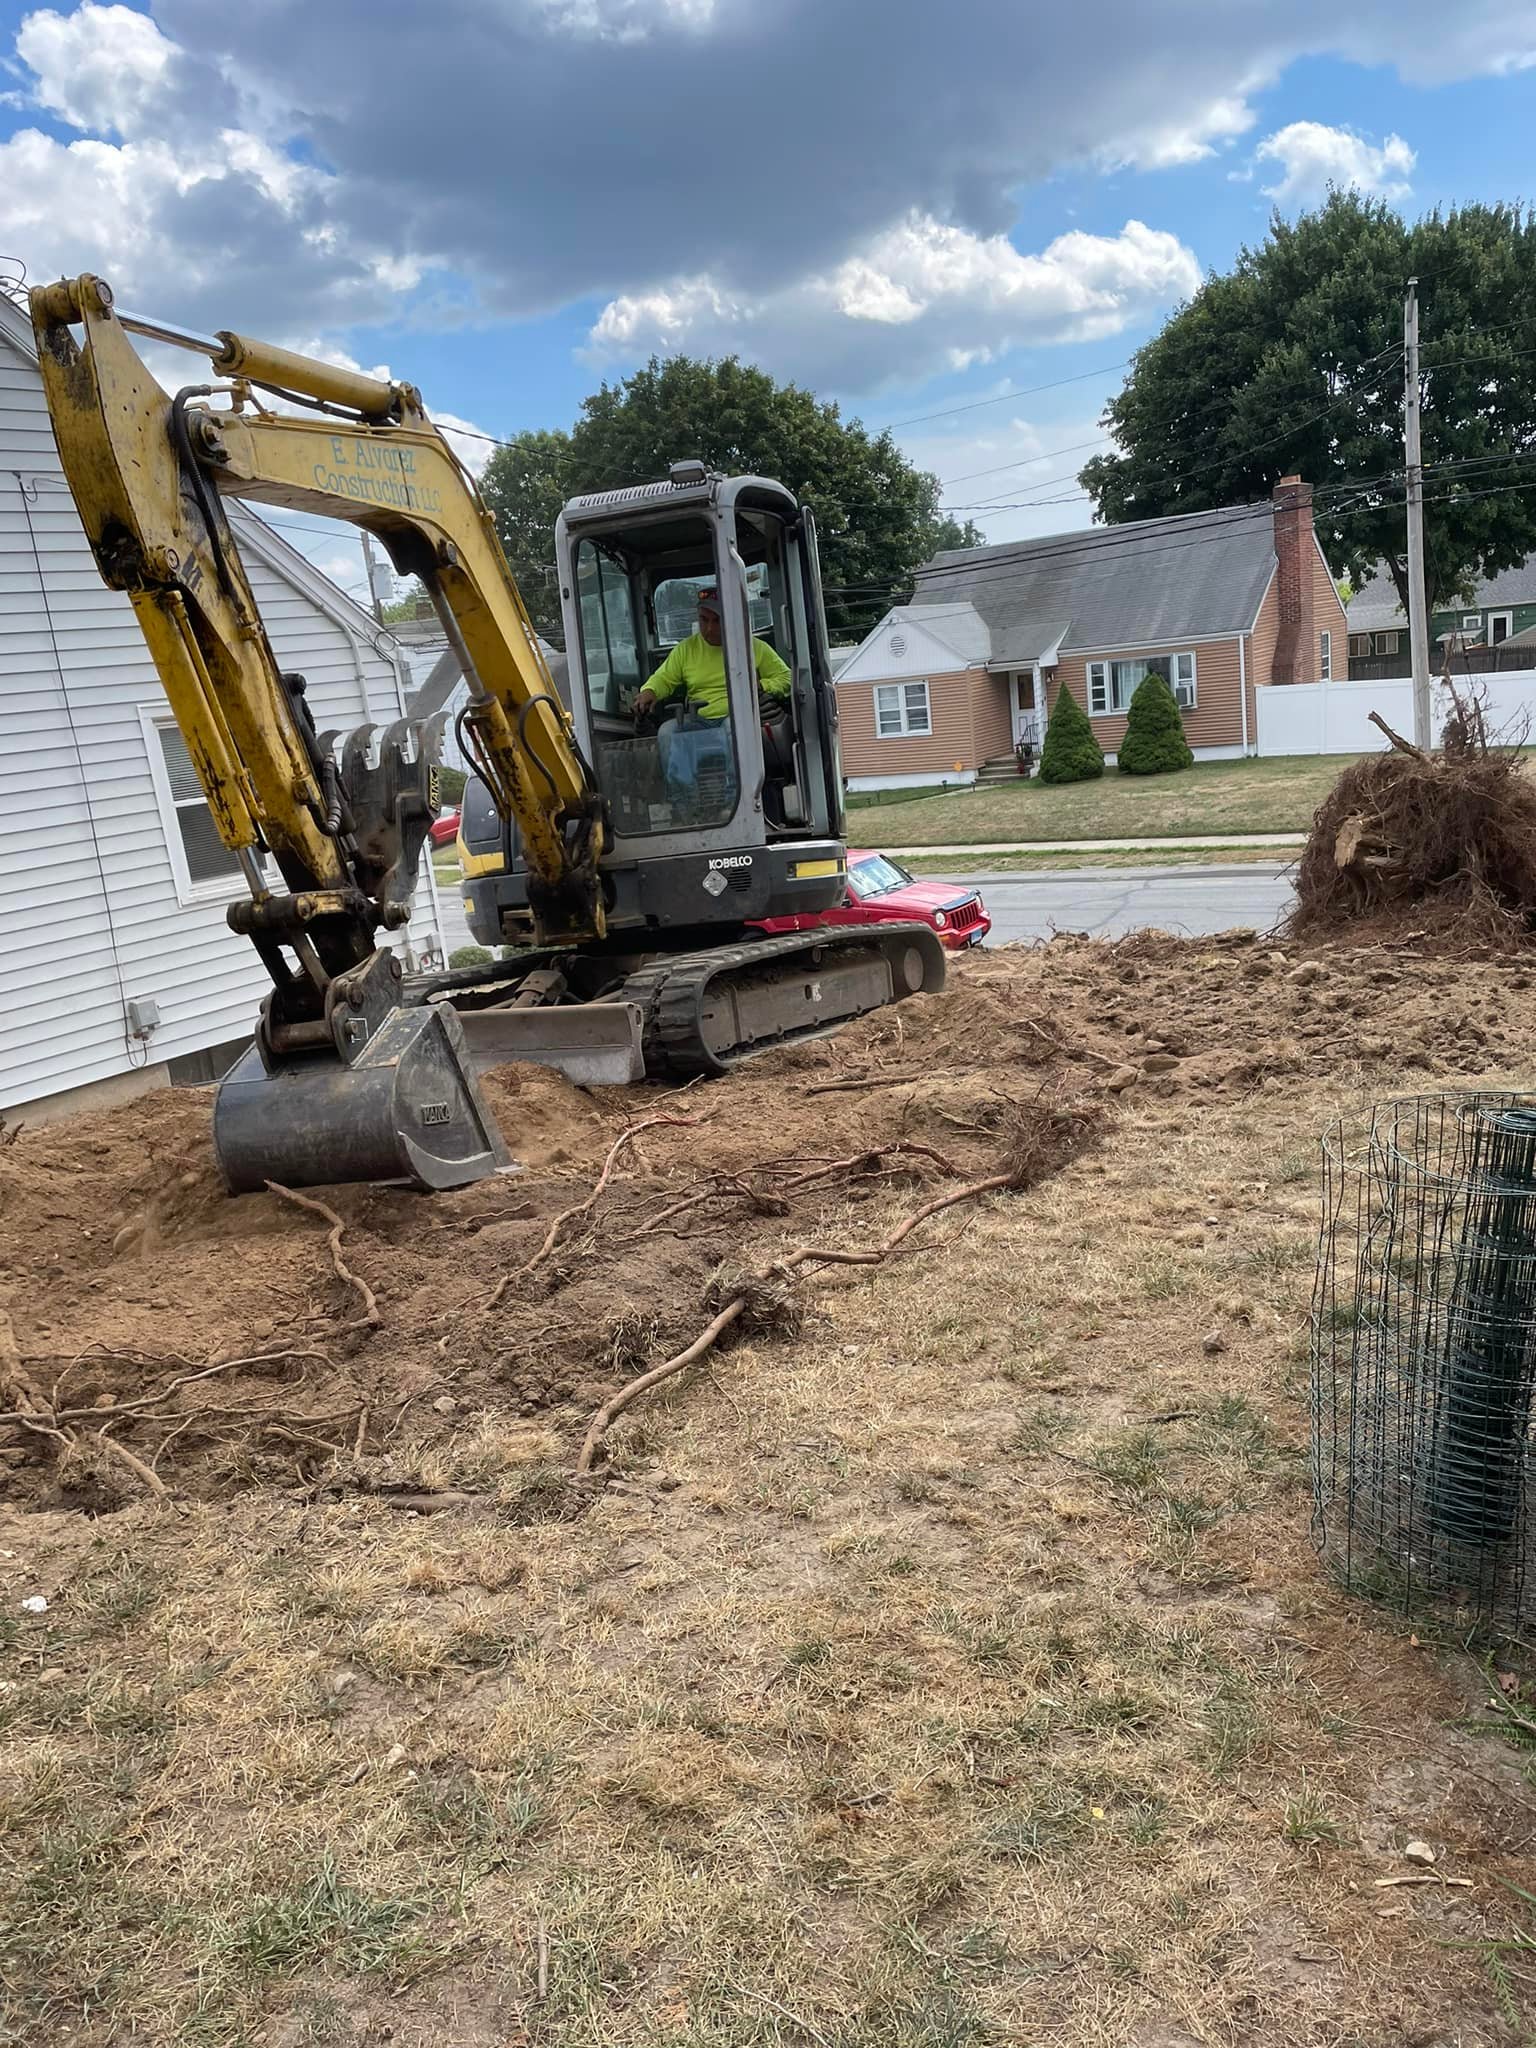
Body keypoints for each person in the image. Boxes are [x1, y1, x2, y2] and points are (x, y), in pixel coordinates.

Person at [634, 586, 791, 727]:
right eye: (704, 619)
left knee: (734, 730)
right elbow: (664, 678)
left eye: (717, 620)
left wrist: (762, 686)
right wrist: (650, 691)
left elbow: (787, 678)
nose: (709, 628)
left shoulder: (753, 647)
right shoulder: (686, 649)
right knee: (667, 732)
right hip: (698, 720)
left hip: (738, 717)